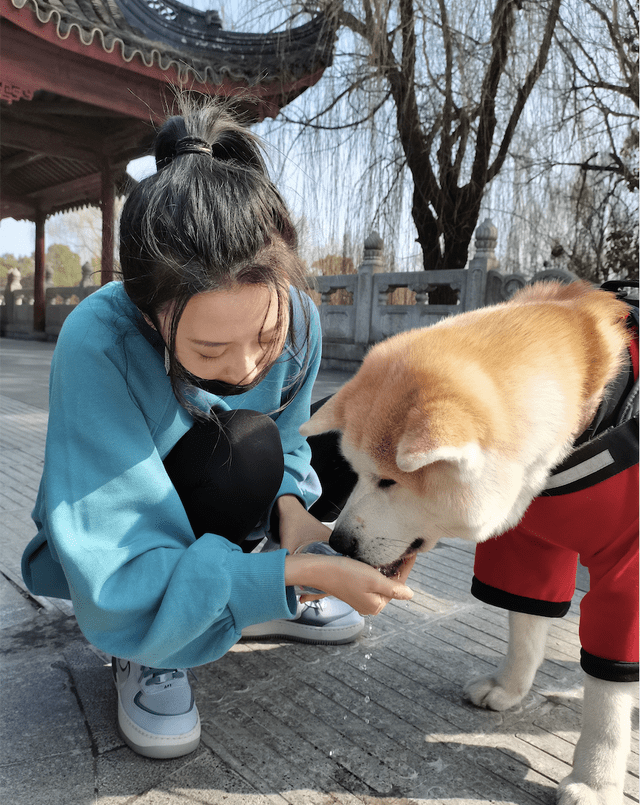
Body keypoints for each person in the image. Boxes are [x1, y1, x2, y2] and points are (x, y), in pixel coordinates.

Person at [21, 99, 414, 760]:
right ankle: (153, 642)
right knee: (229, 449)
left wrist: (295, 518)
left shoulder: (298, 318)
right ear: (149, 315)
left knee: (319, 438)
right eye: (207, 350)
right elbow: (112, 551)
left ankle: (254, 591)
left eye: (265, 334)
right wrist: (283, 574)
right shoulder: (99, 340)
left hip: (228, 489)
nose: (244, 364)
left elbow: (286, 439)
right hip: (125, 539)